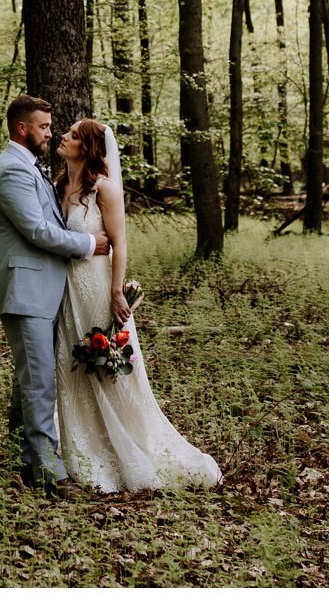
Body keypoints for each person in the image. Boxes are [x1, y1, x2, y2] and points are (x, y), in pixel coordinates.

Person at [53, 116, 222, 492]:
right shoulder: (58, 186)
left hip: (97, 289)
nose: (63, 136)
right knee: (72, 369)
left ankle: (131, 449)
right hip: (66, 292)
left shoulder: (105, 190)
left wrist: (117, 292)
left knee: (108, 371)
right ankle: (81, 449)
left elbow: (120, 243)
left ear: (88, 148)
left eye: (73, 135)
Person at [0, 94, 108, 497]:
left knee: (29, 382)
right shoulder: (11, 172)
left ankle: (22, 461)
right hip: (26, 291)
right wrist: (88, 244)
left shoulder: (28, 167)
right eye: (44, 127)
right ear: (22, 128)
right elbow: (38, 231)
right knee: (39, 383)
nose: (50, 134)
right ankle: (50, 476)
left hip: (40, 290)